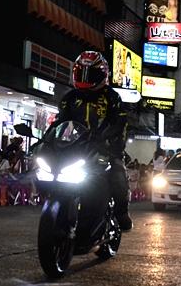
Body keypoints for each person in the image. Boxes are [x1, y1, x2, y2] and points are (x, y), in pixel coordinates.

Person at [52, 51, 133, 231]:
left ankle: (122, 213)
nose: (85, 78)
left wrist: (111, 142)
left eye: (91, 74)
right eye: (82, 73)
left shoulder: (112, 97)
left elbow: (120, 122)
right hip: (75, 148)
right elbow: (59, 122)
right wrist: (47, 140)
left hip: (106, 148)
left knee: (118, 176)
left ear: (103, 75)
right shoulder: (69, 98)